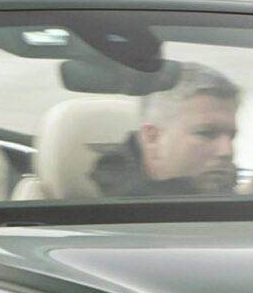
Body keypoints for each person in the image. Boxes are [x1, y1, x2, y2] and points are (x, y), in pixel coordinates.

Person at [92, 63, 240, 197]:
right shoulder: (120, 212)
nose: (227, 151)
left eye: (231, 136)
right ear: (153, 139)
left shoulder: (211, 190)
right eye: (206, 133)